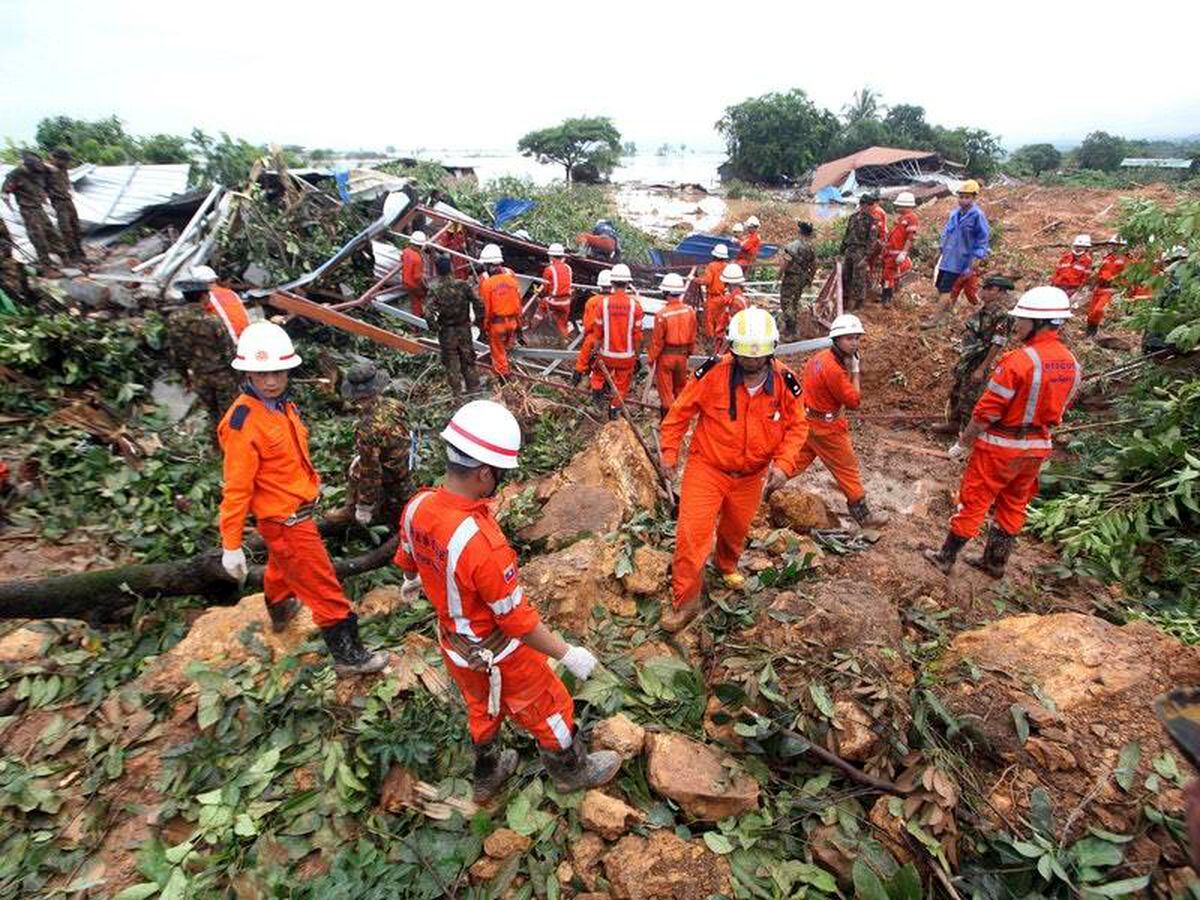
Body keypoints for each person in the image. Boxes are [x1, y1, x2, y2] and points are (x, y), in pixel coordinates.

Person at [394, 400, 620, 802]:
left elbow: (409, 554)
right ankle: (571, 772)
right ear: (484, 473)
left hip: (455, 646)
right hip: (500, 653)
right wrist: (568, 653)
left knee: (481, 706)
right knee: (548, 705)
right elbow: (517, 622)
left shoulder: (417, 506)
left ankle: (488, 772)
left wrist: (412, 579)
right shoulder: (481, 543)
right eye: (499, 473)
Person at [218, 322, 390, 674]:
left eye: (278, 372)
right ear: (247, 371)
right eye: (262, 374)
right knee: (323, 587)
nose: (270, 381)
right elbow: (236, 488)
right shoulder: (243, 423)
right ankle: (349, 656)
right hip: (285, 521)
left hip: (293, 512)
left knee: (283, 567)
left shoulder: (282, 406)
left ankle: (279, 608)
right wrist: (231, 543)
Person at [659, 308, 808, 632]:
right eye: (745, 357)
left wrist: (783, 465)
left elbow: (798, 427)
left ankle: (726, 565)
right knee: (691, 534)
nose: (752, 364)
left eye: (759, 358)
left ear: (771, 351)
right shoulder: (712, 373)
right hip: (707, 468)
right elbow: (678, 415)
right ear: (732, 349)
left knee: (735, 528)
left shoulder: (785, 381)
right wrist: (669, 455)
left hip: (751, 475)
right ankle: (685, 600)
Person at [923, 286, 1081, 578]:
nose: (1016, 325)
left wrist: (963, 444)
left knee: (974, 500)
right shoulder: (1071, 363)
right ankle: (995, 562)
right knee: (1013, 503)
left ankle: (946, 557)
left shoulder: (1018, 361)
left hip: (1001, 445)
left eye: (1022, 320)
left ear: (1039, 323)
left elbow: (986, 412)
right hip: (1037, 446)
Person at [794, 314, 891, 528]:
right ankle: (864, 517)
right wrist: (855, 371)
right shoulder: (835, 371)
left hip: (808, 420)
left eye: (857, 338)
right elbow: (854, 401)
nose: (855, 342)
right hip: (827, 429)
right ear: (836, 339)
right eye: (849, 338)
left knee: (795, 461)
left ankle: (762, 490)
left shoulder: (818, 358)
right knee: (847, 469)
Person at [166, 266, 251, 426]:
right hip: (223, 377)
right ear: (204, 296)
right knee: (231, 415)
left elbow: (175, 353)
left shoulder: (174, 320)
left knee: (213, 414)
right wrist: (240, 376)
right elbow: (228, 352)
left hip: (199, 377)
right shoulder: (212, 321)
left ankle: (216, 443)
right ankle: (233, 446)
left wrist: (185, 377)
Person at [934, 275, 1016, 435]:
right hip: (968, 358)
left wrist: (982, 368)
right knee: (957, 392)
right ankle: (954, 424)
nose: (982, 292)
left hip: (979, 360)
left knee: (969, 399)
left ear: (998, 291)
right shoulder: (985, 310)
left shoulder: (1002, 315)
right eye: (983, 288)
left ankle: (965, 435)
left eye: (988, 289)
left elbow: (997, 342)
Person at [343, 362, 410, 529]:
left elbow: (371, 472)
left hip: (391, 484)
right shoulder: (394, 405)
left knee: (394, 522)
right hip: (406, 470)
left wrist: (364, 506)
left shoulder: (367, 428)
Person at [578, 263, 643, 418]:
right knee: (622, 385)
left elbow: (597, 333)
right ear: (628, 283)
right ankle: (614, 410)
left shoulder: (602, 304)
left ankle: (597, 403)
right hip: (626, 357)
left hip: (606, 354)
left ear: (612, 283)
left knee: (598, 375)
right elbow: (638, 336)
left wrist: (595, 352)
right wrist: (637, 356)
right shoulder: (636, 306)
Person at [928, 180, 990, 327]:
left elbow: (983, 239)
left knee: (945, 290)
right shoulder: (954, 214)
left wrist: (976, 260)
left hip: (961, 261)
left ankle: (935, 320)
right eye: (961, 196)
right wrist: (940, 250)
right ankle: (948, 315)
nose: (963, 200)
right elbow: (946, 233)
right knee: (940, 287)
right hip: (947, 258)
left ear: (974, 198)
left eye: (967, 197)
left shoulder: (977, 216)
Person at [426, 255, 483, 396]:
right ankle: (474, 390)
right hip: (464, 328)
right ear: (451, 267)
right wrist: (478, 319)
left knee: (451, 364)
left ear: (437, 271)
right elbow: (479, 302)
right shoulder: (463, 285)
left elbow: (428, 313)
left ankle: (457, 395)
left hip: (446, 332)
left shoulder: (435, 290)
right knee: (468, 360)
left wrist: (434, 327)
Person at [2, 152, 65, 273]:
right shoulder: (15, 175)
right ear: (27, 166)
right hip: (28, 210)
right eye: (35, 167)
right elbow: (5, 194)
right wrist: (12, 211)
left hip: (39, 208)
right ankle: (47, 268)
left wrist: (46, 204)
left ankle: (65, 258)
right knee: (38, 237)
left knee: (51, 232)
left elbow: (54, 170)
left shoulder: (39, 170)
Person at [647, 272, 698, 418]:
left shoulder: (662, 315)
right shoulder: (690, 311)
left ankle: (667, 421)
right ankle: (682, 419)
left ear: (665, 292)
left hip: (666, 357)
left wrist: (651, 359)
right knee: (681, 388)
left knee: (665, 392)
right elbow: (693, 335)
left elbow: (657, 342)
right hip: (682, 356)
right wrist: (689, 352)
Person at [477, 243, 524, 381]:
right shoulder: (511, 277)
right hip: (513, 322)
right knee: (506, 350)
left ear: (489, 265)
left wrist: (484, 328)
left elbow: (486, 309)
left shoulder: (486, 282)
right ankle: (508, 369)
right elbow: (518, 303)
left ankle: (505, 381)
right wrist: (519, 327)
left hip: (497, 325)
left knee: (498, 354)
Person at [572, 269, 611, 387]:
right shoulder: (613, 302)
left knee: (582, 363)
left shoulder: (592, 301)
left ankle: (575, 386)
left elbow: (587, 323)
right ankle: (599, 392)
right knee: (602, 369)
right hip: (609, 340)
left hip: (592, 336)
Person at [779, 222, 817, 337]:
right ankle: (790, 329)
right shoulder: (810, 248)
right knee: (795, 302)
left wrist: (778, 276)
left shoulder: (792, 247)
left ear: (799, 232)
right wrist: (810, 278)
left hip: (791, 278)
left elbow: (785, 263)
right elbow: (814, 266)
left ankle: (791, 330)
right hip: (802, 279)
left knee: (786, 302)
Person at [46, 149, 84, 264]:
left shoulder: (63, 169)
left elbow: (67, 183)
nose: (67, 163)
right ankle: (73, 256)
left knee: (76, 226)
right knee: (66, 229)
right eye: (65, 161)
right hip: (58, 202)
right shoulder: (46, 169)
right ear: (56, 159)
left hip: (68, 200)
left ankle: (80, 254)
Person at [1086, 237, 1129, 338]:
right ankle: (1089, 334)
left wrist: (1118, 286)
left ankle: (1094, 333)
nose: (1114, 246)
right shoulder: (1107, 258)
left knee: (1098, 310)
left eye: (1117, 245)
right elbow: (1098, 272)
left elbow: (1127, 276)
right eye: (1113, 244)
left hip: (1111, 289)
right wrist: (1093, 284)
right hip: (1099, 288)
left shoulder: (1126, 260)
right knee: (1091, 313)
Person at [881, 192, 918, 304]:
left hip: (897, 253)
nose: (897, 207)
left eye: (900, 205)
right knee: (887, 275)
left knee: (888, 276)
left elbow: (910, 237)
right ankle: (887, 295)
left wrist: (904, 252)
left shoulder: (912, 217)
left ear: (906, 206)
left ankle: (887, 298)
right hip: (890, 253)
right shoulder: (901, 218)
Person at [839, 199, 876, 312]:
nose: (869, 208)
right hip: (850, 249)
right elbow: (847, 235)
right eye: (868, 205)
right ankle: (845, 301)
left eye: (870, 206)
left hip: (861, 251)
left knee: (858, 278)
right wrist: (841, 251)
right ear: (862, 205)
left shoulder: (871, 220)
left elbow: (872, 241)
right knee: (846, 275)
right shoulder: (853, 217)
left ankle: (858, 304)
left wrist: (866, 257)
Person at [535, 243, 573, 338]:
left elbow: (545, 289)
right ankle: (564, 339)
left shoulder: (549, 269)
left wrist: (539, 295)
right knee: (562, 322)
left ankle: (532, 329)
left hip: (555, 301)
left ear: (551, 257)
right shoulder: (568, 268)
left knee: (541, 306)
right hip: (566, 302)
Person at [714, 263, 748, 349]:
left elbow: (732, 330)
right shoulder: (738, 297)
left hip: (732, 344)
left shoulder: (736, 302)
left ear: (727, 283)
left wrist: (721, 352)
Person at [1049, 234, 1093, 299]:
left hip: (1072, 289)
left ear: (1086, 248)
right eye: (1077, 246)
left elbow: (1085, 278)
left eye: (1081, 246)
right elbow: (1057, 271)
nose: (1078, 248)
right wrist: (1052, 283)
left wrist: (1078, 291)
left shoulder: (1087, 261)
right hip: (1058, 286)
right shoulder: (1065, 257)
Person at [861, 194, 888, 295]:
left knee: (870, 264)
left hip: (876, 242)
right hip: (877, 241)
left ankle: (872, 287)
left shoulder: (876, 212)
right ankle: (872, 287)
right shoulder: (877, 210)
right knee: (871, 264)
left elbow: (876, 230)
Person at [702, 244, 730, 341]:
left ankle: (711, 342)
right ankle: (719, 341)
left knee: (709, 320)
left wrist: (695, 279)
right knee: (720, 321)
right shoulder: (727, 266)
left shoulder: (711, 266)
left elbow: (707, 281)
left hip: (713, 297)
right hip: (723, 297)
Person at [0, 217, 30, 304]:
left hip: (7, 256)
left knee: (19, 277)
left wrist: (9, 245)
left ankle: (25, 297)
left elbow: (4, 231)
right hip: (6, 259)